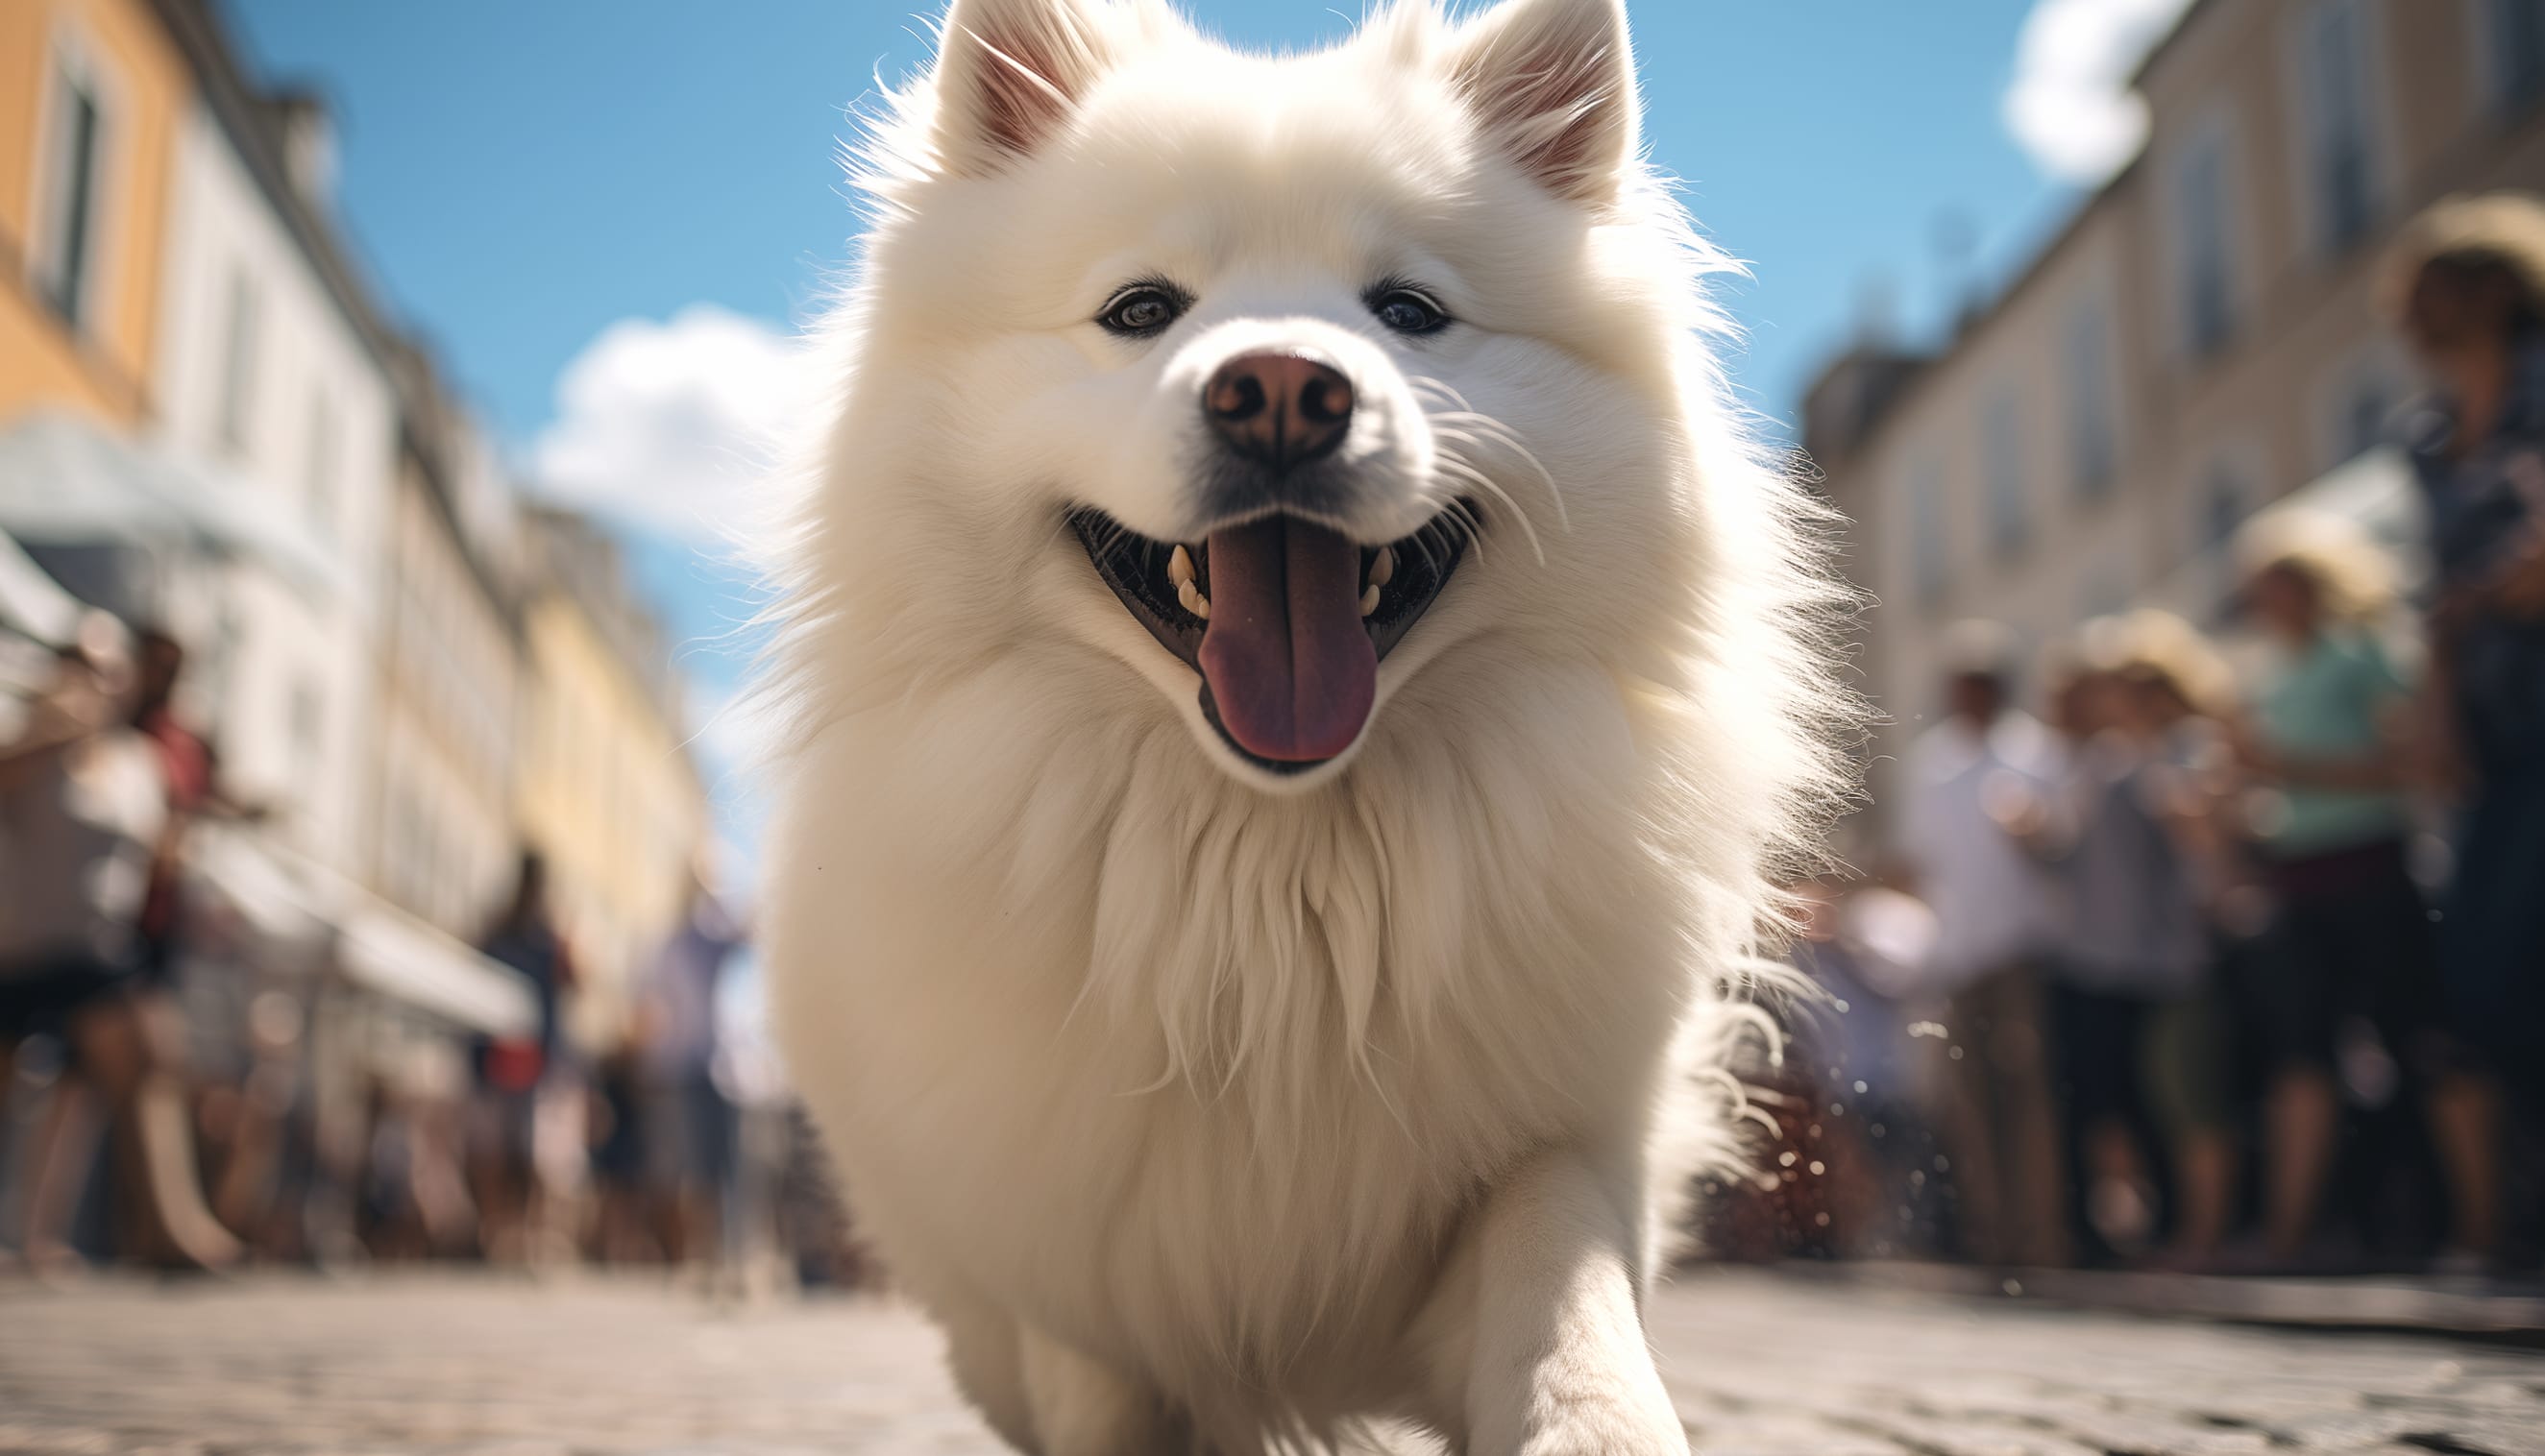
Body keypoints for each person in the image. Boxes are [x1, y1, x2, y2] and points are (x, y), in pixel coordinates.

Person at [2230, 511, 2497, 1267]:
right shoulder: (2269, 676)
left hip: (2371, 866)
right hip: (2296, 880)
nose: (2259, 597)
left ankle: (2479, 1230)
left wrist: (2285, 769)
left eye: (2271, 582)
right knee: (2301, 1055)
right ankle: (2288, 1239)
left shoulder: (2361, 654)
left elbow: (2410, 764)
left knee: (2425, 1040)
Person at [2386, 194, 2545, 1179]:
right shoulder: (2429, 437)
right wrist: (2437, 712)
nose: (2409, 311)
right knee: (2484, 965)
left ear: (2496, 284)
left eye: (2429, 289)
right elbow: (2442, 598)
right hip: (2494, 723)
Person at [0, 615, 238, 1271]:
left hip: (90, 949)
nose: (93, 681)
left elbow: (158, 861)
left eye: (105, 670)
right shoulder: (33, 739)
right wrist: (51, 731)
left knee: (148, 1056)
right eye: (78, 663)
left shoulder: (136, 763)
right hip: (17, 944)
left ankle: (170, 1225)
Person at [1893, 619, 2069, 1268]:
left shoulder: (2035, 753)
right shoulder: (1931, 764)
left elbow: (2057, 848)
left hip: (2020, 947)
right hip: (1960, 952)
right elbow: (1921, 863)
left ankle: (2040, 1235)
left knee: (2027, 1096)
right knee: (1971, 1101)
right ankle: (1991, 1235)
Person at [470, 852, 575, 1263]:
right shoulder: (530, 932)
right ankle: (509, 1235)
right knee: (513, 1153)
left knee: (521, 1153)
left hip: (522, 1054)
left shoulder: (523, 931)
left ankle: (513, 1235)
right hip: (513, 1053)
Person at [637, 872, 745, 1272]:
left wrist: (714, 893)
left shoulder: (707, 939)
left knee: (714, 1166)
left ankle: (713, 1254)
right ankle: (687, 1256)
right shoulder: (668, 945)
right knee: (681, 1165)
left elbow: (745, 935)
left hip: (711, 1068)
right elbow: (650, 1006)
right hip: (677, 1069)